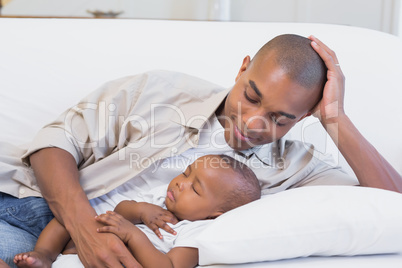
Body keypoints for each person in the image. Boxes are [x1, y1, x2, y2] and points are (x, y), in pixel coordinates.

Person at [0, 34, 401, 268]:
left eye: (281, 118)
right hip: (31, 208)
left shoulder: (297, 166)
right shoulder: (162, 92)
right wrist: (86, 230)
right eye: (251, 96)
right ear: (242, 68)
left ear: (305, 116)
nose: (253, 123)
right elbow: (54, 143)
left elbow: (390, 209)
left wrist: (336, 119)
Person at [12, 154, 261, 268]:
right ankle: (44, 254)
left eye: (194, 188)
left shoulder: (197, 232)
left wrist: (134, 235)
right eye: (186, 172)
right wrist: (139, 210)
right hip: (82, 245)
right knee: (68, 217)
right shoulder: (159, 199)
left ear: (215, 213)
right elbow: (121, 209)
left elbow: (168, 267)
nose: (179, 183)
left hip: (108, 260)